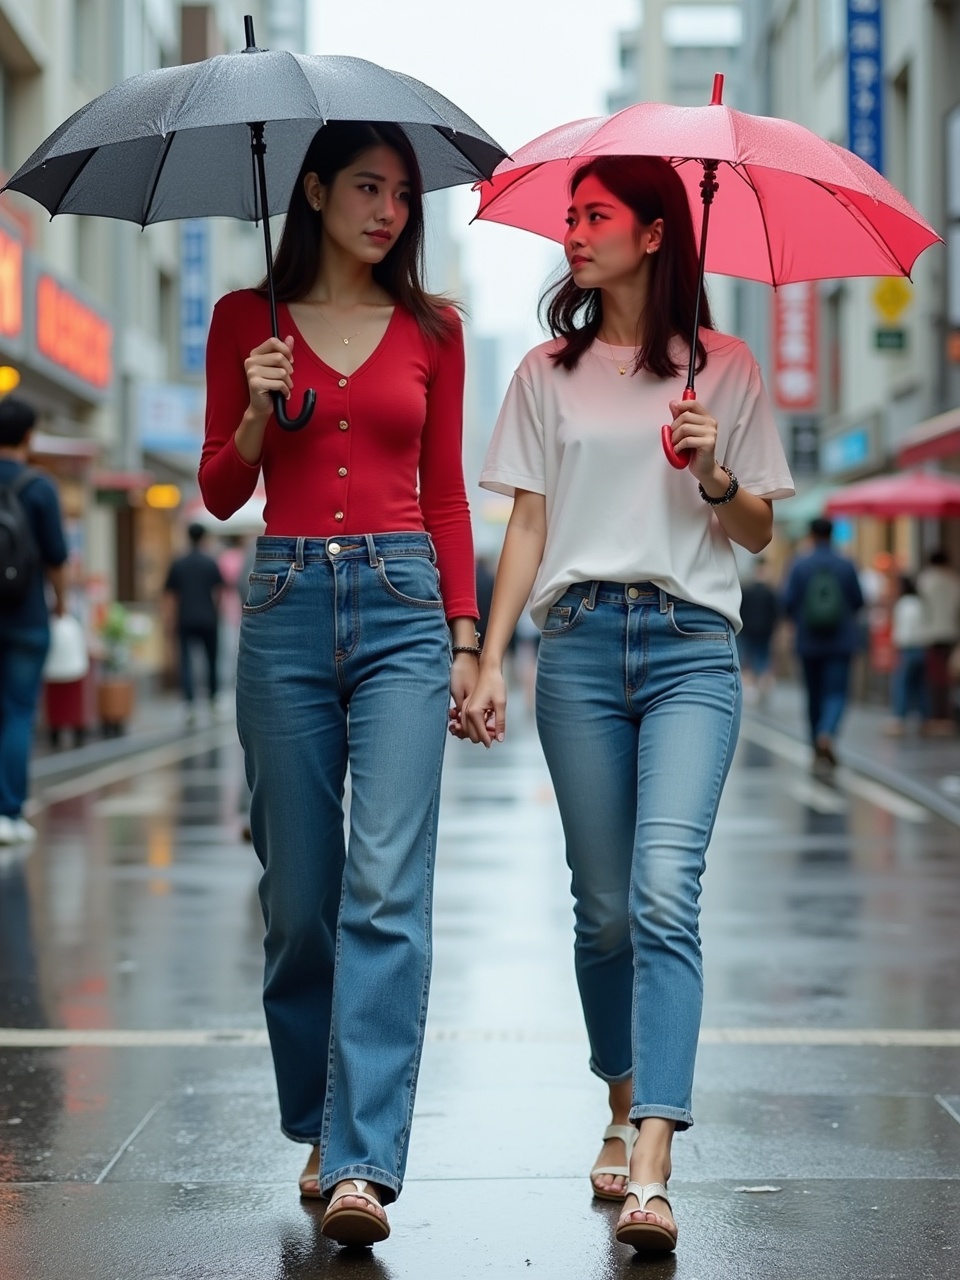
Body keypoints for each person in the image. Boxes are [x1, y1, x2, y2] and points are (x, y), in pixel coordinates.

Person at [460, 155, 794, 1257]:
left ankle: (653, 1153)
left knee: (663, 888)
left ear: (656, 232)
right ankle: (619, 1091)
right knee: (601, 905)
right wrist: (493, 653)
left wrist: (711, 474)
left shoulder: (727, 368)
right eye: (569, 214)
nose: (573, 230)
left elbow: (757, 533)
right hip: (582, 646)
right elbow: (526, 527)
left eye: (594, 214)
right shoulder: (546, 374)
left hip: (693, 645)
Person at [198, 121, 479, 1246]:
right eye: (368, 186)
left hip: (406, 605)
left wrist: (467, 636)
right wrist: (259, 408)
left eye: (404, 195)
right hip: (283, 603)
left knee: (388, 887)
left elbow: (450, 496)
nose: (389, 211)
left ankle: (362, 1157)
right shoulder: (240, 322)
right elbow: (221, 490)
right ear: (310, 189)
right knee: (302, 897)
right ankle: (318, 1116)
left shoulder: (435, 329)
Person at [0, 396, 68, 846]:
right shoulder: (39, 486)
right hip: (26, 617)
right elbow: (57, 557)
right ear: (29, 435)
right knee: (18, 713)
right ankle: (9, 813)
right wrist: (60, 604)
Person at [783, 517, 864, 770]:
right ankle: (827, 733)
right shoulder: (846, 564)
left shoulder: (799, 564)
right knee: (837, 692)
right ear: (832, 535)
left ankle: (815, 743)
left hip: (808, 641)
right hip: (841, 641)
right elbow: (858, 600)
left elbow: (786, 602)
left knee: (813, 694)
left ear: (811, 535)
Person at [163, 523, 224, 724]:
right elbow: (219, 593)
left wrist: (170, 620)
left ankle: (189, 705)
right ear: (203, 538)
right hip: (208, 618)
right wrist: (218, 613)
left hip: (185, 617)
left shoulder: (178, 563)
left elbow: (171, 596)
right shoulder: (210, 562)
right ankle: (213, 701)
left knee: (186, 662)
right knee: (211, 660)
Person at [916, 550, 960, 734]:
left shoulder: (925, 579)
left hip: (931, 634)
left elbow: (922, 609)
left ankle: (935, 717)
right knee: (949, 677)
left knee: (934, 678)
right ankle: (948, 717)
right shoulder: (954, 580)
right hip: (951, 632)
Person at [884, 575, 929, 735]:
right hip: (921, 647)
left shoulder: (902, 604)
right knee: (920, 686)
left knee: (901, 684)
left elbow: (902, 630)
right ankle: (925, 719)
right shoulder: (919, 603)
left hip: (907, 648)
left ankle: (899, 719)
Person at [737, 557, 780, 704]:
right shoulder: (770, 592)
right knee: (762, 661)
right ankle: (762, 688)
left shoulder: (746, 589)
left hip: (747, 631)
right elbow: (776, 614)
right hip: (765, 633)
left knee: (747, 661)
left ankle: (750, 690)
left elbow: (739, 610)